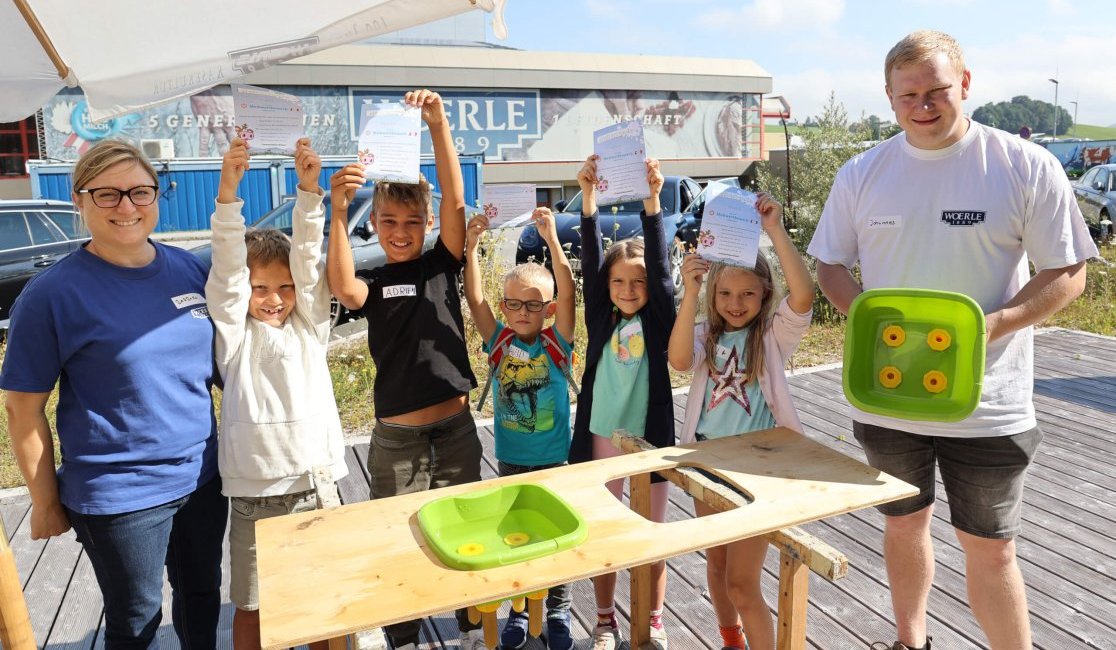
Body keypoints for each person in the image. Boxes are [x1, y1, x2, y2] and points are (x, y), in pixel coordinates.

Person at [806, 30, 1098, 650]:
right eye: (907, 95)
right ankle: (909, 641)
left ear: (964, 84)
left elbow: (1068, 271)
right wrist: (868, 322)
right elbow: (829, 264)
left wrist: (994, 325)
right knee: (903, 526)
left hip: (989, 402)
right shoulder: (863, 172)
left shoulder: (1022, 164)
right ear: (889, 96)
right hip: (887, 397)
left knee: (992, 550)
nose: (923, 105)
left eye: (936, 90)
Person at [0, 140, 226, 648]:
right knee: (136, 618)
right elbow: (22, 410)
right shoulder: (51, 295)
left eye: (140, 191)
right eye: (107, 194)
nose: (127, 206)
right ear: (79, 201)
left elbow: (222, 366)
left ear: (156, 196)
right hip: (121, 494)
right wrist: (44, 501)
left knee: (202, 594)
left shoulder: (188, 269)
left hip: (203, 475)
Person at [325, 89, 485, 650]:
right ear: (375, 224)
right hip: (397, 439)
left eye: (412, 221)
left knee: (465, 528)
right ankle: (405, 636)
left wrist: (438, 125)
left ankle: (471, 626)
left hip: (457, 430)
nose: (400, 231)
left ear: (427, 223)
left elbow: (456, 202)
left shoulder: (442, 262)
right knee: (398, 538)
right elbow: (341, 286)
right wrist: (338, 211)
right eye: (389, 220)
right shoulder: (372, 283)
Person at [206, 137, 348, 650]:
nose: (274, 299)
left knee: (323, 602)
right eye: (260, 288)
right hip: (253, 494)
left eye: (284, 288)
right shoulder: (234, 336)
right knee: (253, 606)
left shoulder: (311, 327)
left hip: (316, 484)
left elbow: (309, 263)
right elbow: (227, 273)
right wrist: (228, 194)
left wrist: (309, 194)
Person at [667, 192, 813, 650]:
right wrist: (691, 293)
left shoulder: (771, 336)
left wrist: (775, 230)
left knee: (742, 583)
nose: (735, 303)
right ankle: (732, 641)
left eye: (748, 293)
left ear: (764, 294)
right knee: (716, 567)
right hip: (708, 463)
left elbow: (804, 295)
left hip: (756, 472)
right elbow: (678, 360)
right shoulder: (705, 333)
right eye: (725, 293)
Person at [568, 155, 675, 650]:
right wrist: (588, 198)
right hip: (602, 439)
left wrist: (652, 201)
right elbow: (590, 262)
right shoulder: (602, 318)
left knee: (653, 536)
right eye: (618, 282)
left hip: (650, 442)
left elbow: (662, 270)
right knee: (605, 534)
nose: (628, 290)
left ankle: (653, 620)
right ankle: (605, 621)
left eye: (638, 282)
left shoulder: (656, 321)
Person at [462, 206, 577, 650]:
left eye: (534, 304)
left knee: (556, 538)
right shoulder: (499, 342)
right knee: (516, 537)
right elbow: (475, 299)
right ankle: (520, 608)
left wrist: (552, 240)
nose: (523, 311)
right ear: (505, 306)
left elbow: (569, 293)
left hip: (554, 461)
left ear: (549, 309)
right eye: (513, 303)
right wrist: (472, 248)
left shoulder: (556, 342)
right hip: (511, 461)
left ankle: (558, 607)